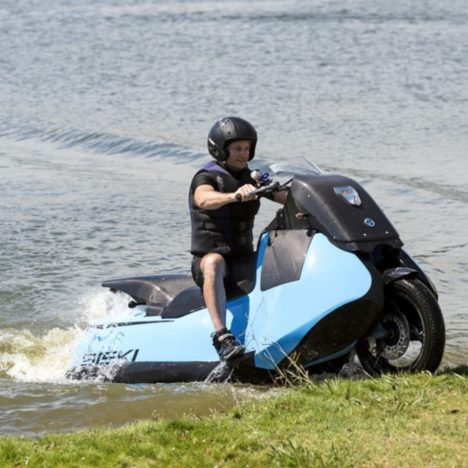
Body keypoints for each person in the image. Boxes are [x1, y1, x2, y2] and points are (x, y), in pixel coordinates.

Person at [189, 116, 287, 361]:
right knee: (214, 261)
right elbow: (203, 199)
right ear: (221, 150)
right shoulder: (207, 177)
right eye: (237, 149)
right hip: (210, 264)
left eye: (247, 149)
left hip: (244, 260)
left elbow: (287, 198)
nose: (244, 155)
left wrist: (312, 194)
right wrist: (234, 196)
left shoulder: (253, 178)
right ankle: (222, 337)